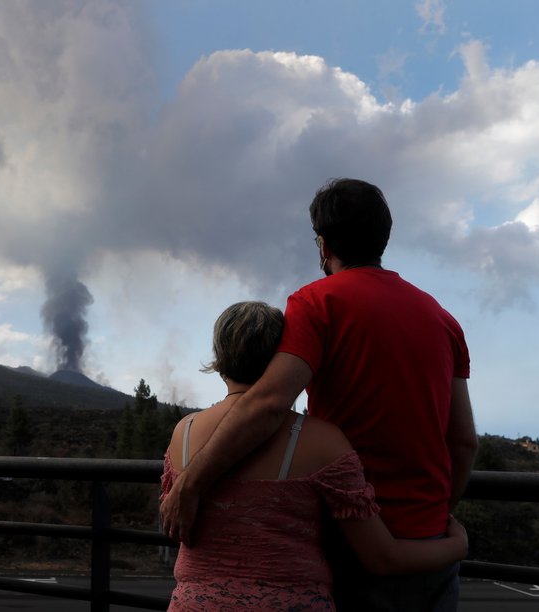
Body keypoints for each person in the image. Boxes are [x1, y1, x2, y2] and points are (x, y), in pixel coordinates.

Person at [160, 178, 478, 611]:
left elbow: (269, 402)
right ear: (382, 239)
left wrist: (189, 486)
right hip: (430, 546)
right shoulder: (443, 320)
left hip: (351, 542)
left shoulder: (316, 303)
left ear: (323, 246)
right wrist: (440, 517)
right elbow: (462, 441)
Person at [162, 301, 468, 611]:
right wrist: (457, 546)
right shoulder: (323, 442)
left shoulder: (182, 434)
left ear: (220, 357)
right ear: (284, 357)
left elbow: (178, 526)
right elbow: (382, 558)